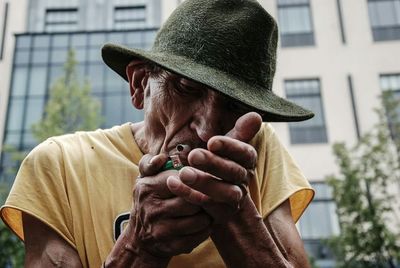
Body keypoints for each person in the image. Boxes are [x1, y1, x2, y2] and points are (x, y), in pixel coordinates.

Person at [1, 0, 315, 267]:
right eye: (187, 88)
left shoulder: (258, 150)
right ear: (140, 84)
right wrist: (139, 246)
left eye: (233, 106)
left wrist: (234, 216)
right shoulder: (59, 165)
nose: (207, 128)